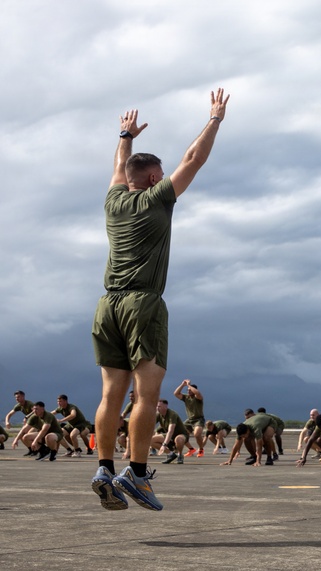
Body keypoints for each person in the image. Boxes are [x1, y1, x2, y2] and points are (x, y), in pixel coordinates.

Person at [90, 89, 229, 511]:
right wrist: (215, 120)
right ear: (154, 179)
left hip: (106, 306)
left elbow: (119, 166)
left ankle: (104, 467)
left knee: (111, 394)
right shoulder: (157, 198)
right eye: (162, 173)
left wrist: (124, 136)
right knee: (145, 394)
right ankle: (136, 470)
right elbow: (193, 160)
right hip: (142, 304)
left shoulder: (114, 199)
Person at [154, 399, 193, 464]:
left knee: (178, 439)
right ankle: (170, 454)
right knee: (151, 441)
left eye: (159, 406)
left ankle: (180, 455)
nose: (157, 408)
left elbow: (170, 431)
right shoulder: (158, 415)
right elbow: (150, 425)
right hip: (170, 436)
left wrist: (164, 444)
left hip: (181, 435)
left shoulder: (172, 415)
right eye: (157, 406)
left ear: (166, 406)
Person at [173, 379, 206, 455]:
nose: (188, 391)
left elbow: (197, 393)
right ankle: (191, 449)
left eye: (190, 390)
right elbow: (176, 393)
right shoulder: (186, 397)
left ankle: (201, 449)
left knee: (197, 434)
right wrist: (182, 385)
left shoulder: (198, 398)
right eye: (187, 390)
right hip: (189, 420)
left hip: (198, 419)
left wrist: (189, 385)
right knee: (181, 433)